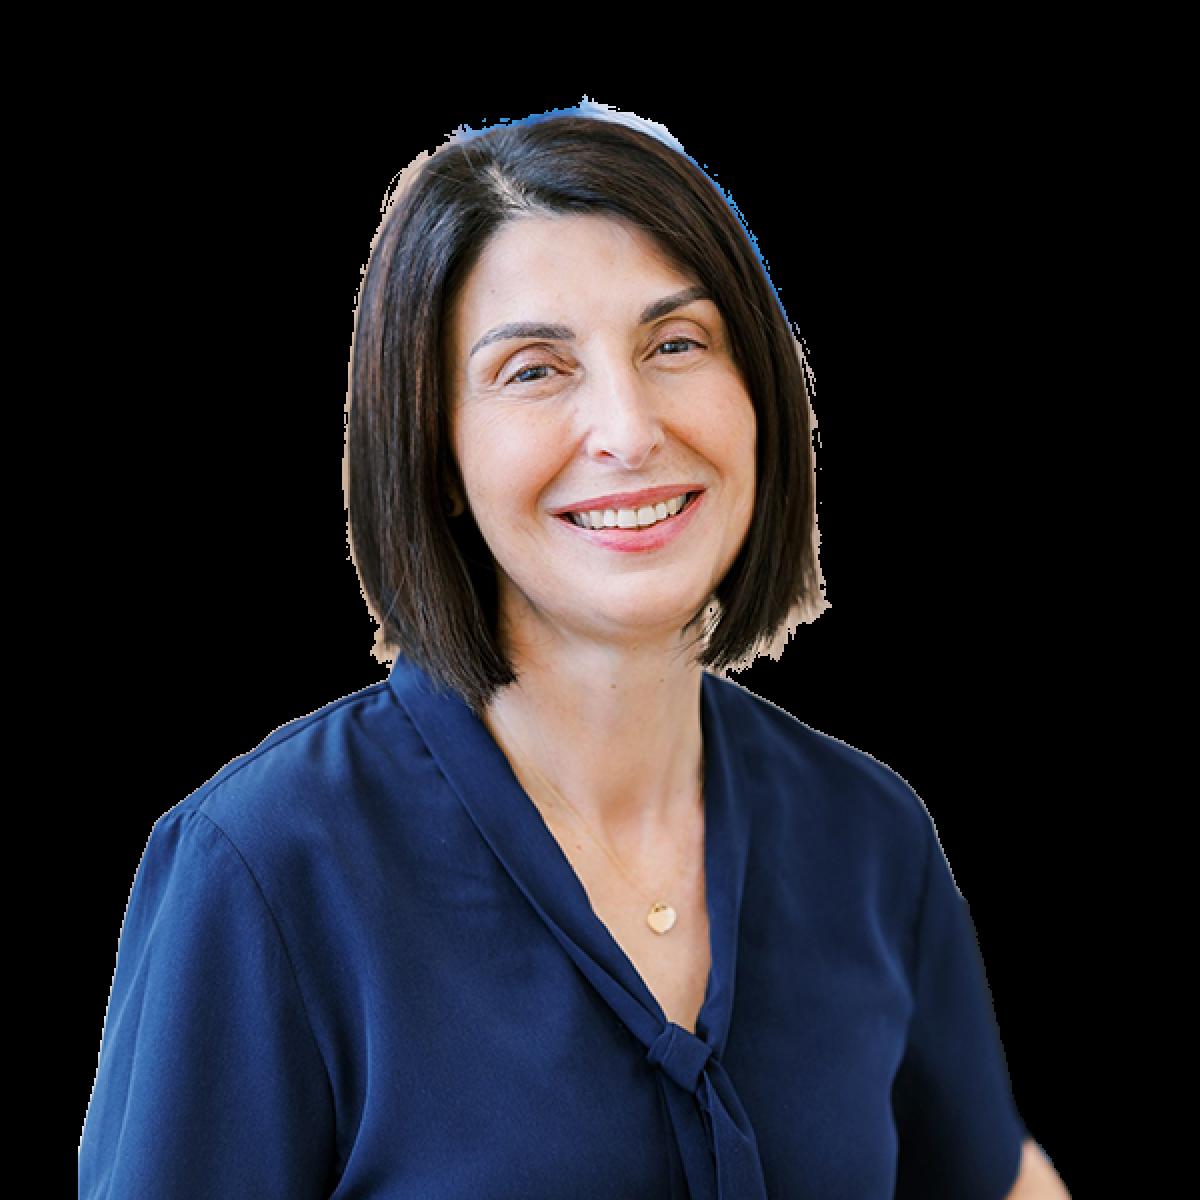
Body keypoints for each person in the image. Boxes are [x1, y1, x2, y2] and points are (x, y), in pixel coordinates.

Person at [79, 101, 1065, 1198]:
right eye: (533, 369)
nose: (630, 428)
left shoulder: (870, 835)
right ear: (437, 452)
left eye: (675, 344)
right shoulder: (264, 869)